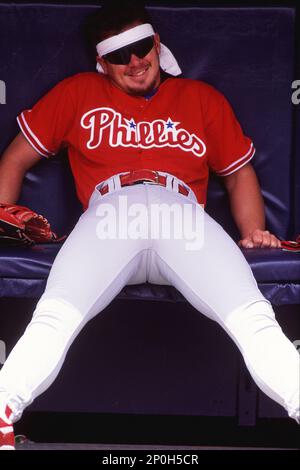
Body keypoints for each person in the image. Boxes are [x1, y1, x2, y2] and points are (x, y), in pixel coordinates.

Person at [0, 0, 299, 450]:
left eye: (141, 47)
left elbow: (237, 173)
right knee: (53, 316)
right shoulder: (78, 91)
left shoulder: (200, 97)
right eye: (119, 55)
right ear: (103, 62)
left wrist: (253, 230)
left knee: (254, 319)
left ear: (157, 44)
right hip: (109, 213)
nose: (135, 62)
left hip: (182, 214)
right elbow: (18, 156)